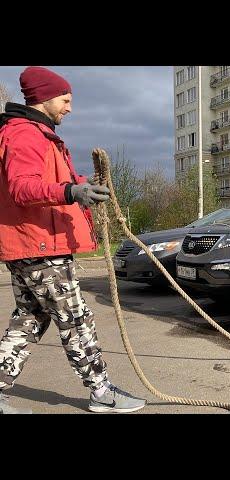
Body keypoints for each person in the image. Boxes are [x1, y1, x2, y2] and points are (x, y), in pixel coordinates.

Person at [0, 66, 146, 414]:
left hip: (30, 247)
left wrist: (83, 183)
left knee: (31, 318)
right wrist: (71, 191)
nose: (69, 107)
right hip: (41, 248)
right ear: (46, 99)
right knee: (76, 320)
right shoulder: (26, 134)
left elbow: (50, 178)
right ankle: (102, 393)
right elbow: (22, 187)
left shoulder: (37, 133)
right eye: (65, 100)